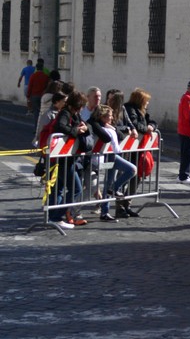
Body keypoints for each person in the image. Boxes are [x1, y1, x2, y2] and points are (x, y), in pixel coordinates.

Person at [87, 105, 137, 222]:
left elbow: (120, 135)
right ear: (102, 117)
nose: (111, 118)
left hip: (112, 155)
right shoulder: (97, 125)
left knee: (108, 183)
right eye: (109, 116)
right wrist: (107, 126)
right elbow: (105, 138)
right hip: (107, 156)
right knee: (132, 169)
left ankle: (105, 212)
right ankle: (113, 189)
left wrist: (113, 127)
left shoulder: (108, 125)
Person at [47, 91, 90, 229]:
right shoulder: (65, 113)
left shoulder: (74, 114)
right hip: (63, 159)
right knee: (76, 189)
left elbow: (84, 125)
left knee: (58, 189)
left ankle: (53, 216)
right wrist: (76, 130)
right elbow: (60, 126)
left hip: (67, 158)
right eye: (81, 106)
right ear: (77, 105)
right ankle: (56, 216)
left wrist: (84, 128)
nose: (82, 109)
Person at [123, 88, 157, 218]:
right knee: (128, 176)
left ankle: (127, 203)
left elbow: (152, 122)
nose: (147, 103)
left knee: (137, 177)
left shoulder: (142, 111)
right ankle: (121, 205)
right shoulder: (130, 109)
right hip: (130, 149)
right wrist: (146, 130)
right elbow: (135, 124)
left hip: (139, 149)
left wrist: (152, 127)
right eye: (146, 101)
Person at [26, 63, 50, 131]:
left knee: (36, 113)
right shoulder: (45, 76)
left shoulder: (33, 76)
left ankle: (36, 128)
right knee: (43, 112)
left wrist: (28, 95)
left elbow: (30, 86)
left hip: (35, 95)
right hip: (43, 95)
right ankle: (43, 127)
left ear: (36, 68)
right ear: (42, 68)